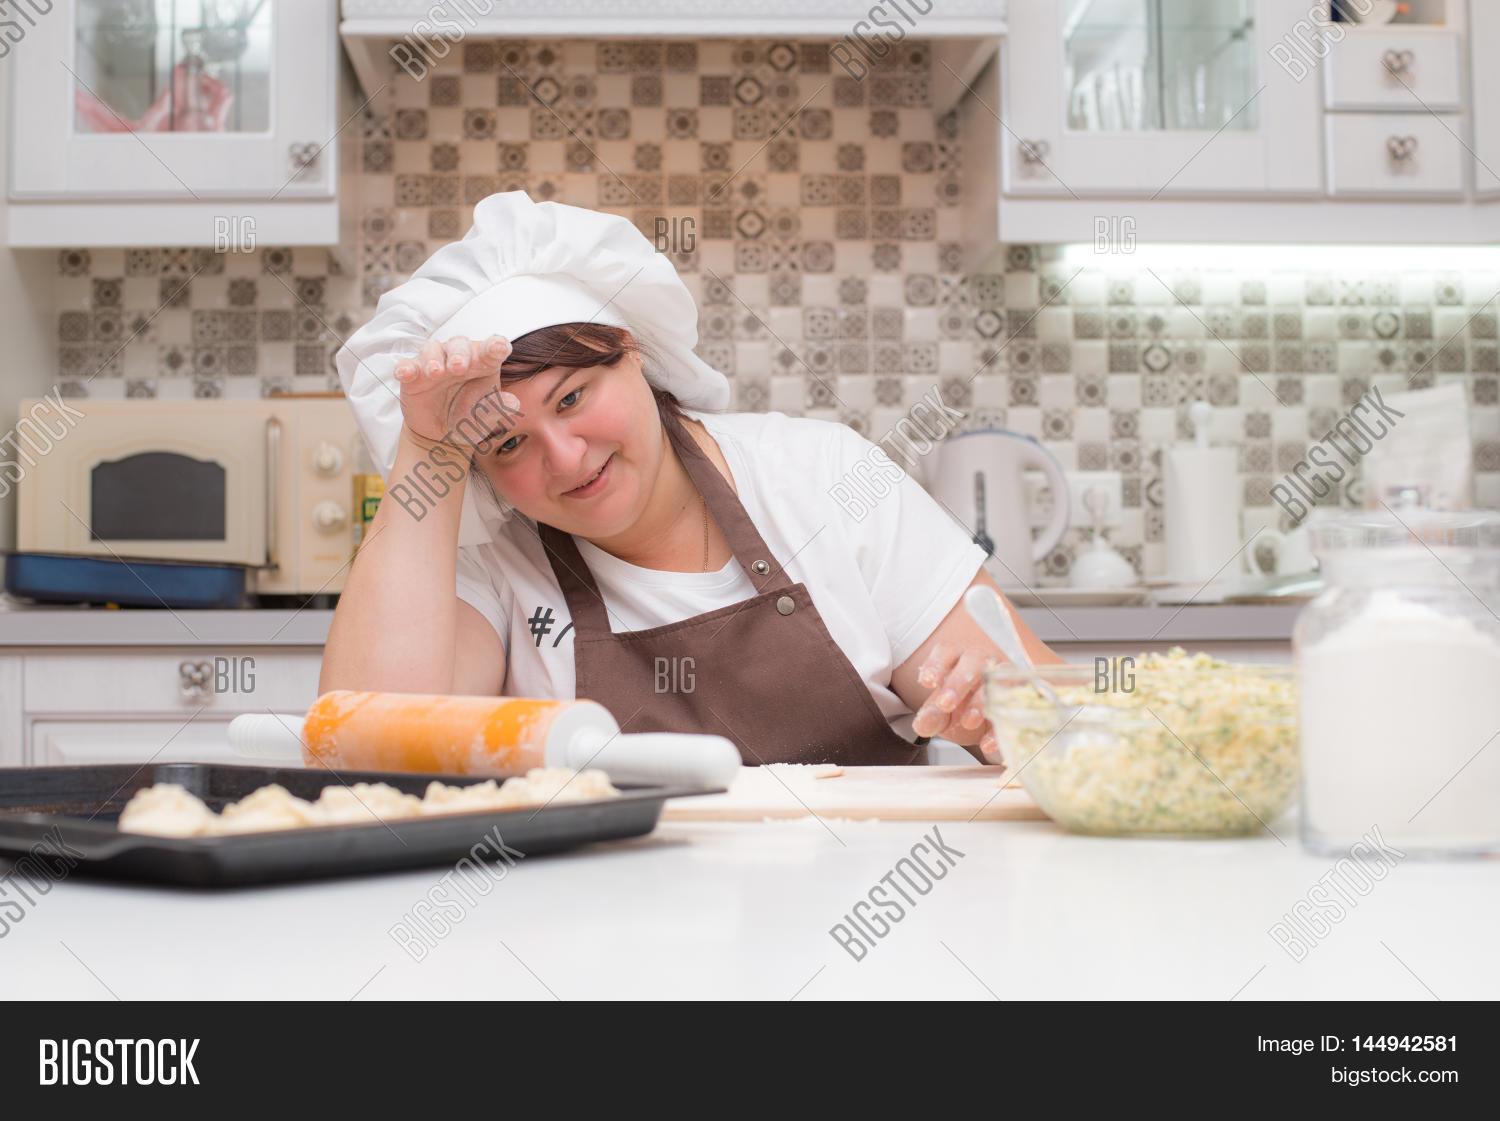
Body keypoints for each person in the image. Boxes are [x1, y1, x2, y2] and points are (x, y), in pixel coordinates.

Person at [325, 192, 1060, 766]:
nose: (567, 459)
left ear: (633, 351)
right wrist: (428, 450)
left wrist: (1000, 715)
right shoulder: (488, 567)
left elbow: (1057, 724)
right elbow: (363, 753)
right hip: (594, 910)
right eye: (508, 442)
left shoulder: (826, 481)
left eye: (573, 398)